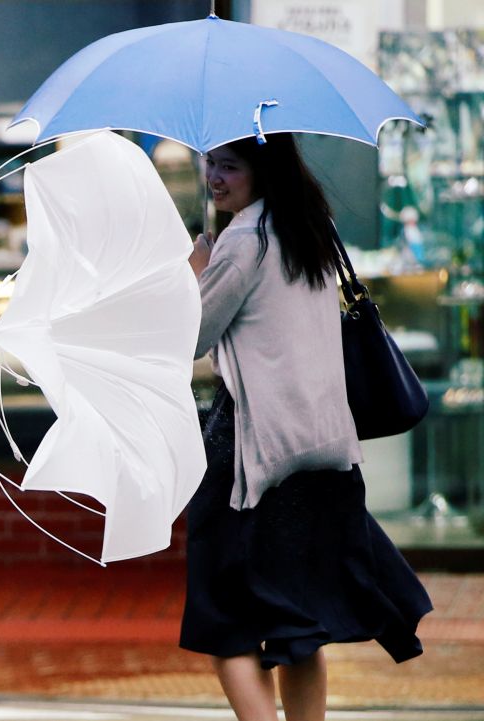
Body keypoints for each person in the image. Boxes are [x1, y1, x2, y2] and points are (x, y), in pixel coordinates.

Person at [180, 134, 432, 721]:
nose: (215, 177)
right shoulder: (310, 224)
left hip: (252, 451)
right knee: (299, 627)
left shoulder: (243, 240)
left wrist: (199, 271)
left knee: (227, 626)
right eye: (211, 164)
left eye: (230, 166)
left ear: (261, 170)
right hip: (322, 449)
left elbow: (192, 337)